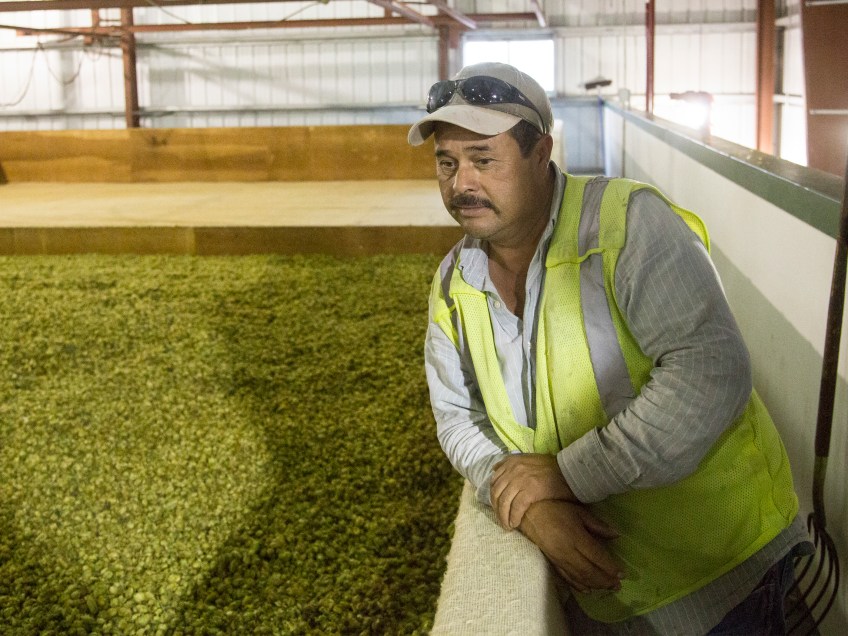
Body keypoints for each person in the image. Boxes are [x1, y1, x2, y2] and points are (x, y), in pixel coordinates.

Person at [409, 61, 812, 634]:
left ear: (541, 152)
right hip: (606, 594)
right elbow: (456, 416)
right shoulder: (455, 283)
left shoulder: (627, 225)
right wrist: (528, 504)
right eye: (446, 163)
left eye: (483, 159)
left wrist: (564, 477)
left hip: (721, 575)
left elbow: (710, 372)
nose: (461, 185)